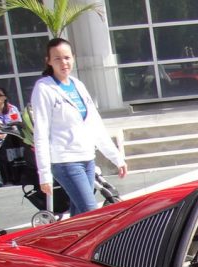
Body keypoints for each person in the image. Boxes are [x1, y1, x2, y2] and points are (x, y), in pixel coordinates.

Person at [30, 37, 127, 216]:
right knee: (91, 213)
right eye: (57, 58)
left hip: (87, 158)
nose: (63, 63)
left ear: (73, 58)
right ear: (48, 61)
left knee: (79, 217)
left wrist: (117, 158)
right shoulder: (44, 88)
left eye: (67, 57)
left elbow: (95, 125)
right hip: (65, 161)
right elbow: (40, 133)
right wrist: (44, 174)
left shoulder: (78, 85)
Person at [0, 87, 22, 188]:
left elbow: (18, 124)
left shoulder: (12, 109)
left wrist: (7, 134)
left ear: (5, 97)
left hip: (13, 138)